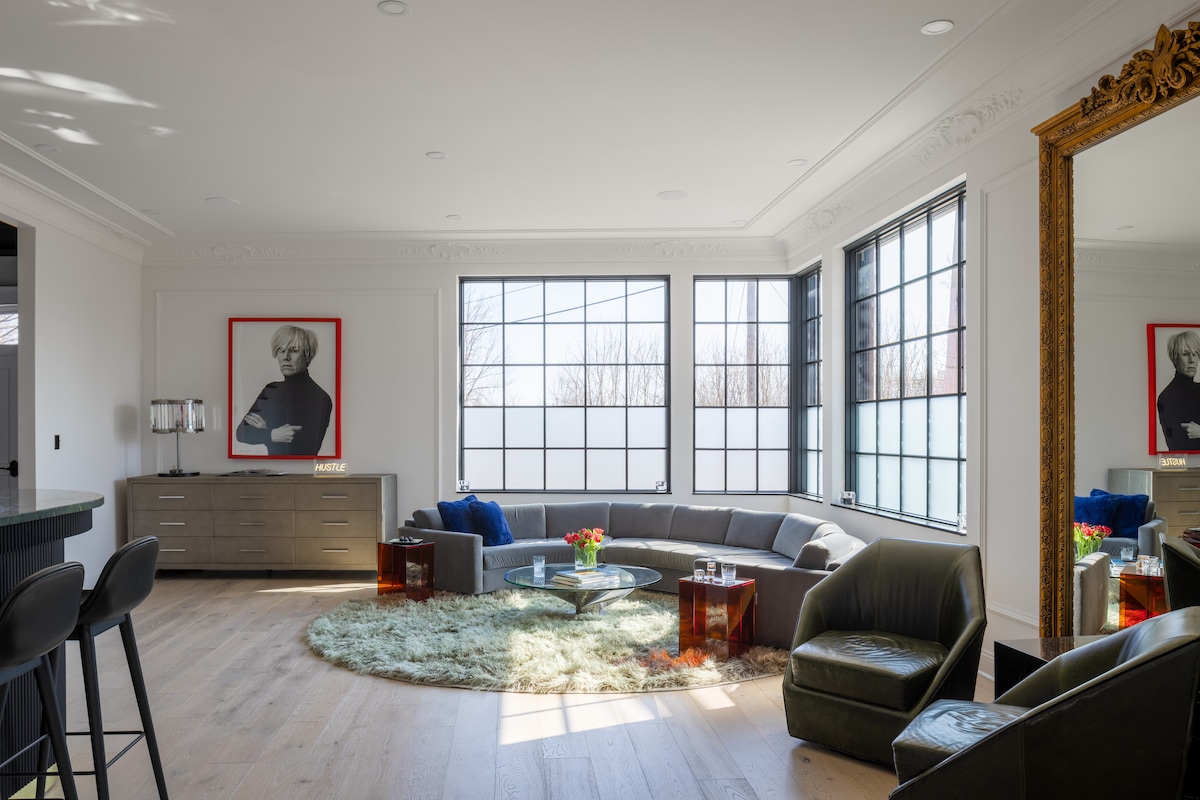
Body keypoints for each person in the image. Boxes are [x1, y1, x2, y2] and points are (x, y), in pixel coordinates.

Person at [236, 324, 332, 456]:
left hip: (302, 469)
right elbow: (241, 433)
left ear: (307, 356)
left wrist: (264, 430)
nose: (286, 357)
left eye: (293, 350)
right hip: (271, 468)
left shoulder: (320, 398)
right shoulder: (271, 390)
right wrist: (271, 434)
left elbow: (305, 450)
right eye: (281, 350)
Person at [1157, 329, 1200, 451]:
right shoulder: (1167, 397)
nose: (1192, 360)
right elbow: (1177, 446)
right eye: (1185, 354)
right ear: (1175, 358)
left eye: (1195, 354)